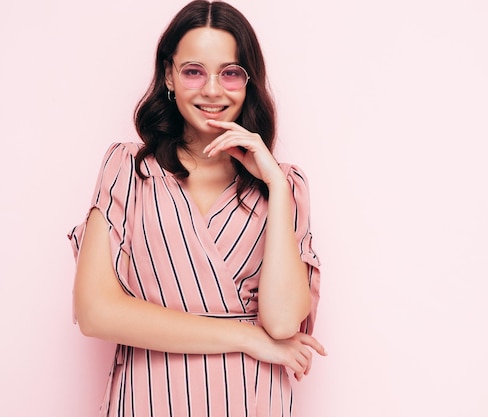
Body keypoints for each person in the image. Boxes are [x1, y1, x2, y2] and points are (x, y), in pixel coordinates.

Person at [67, 1, 324, 416]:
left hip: (253, 399)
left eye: (230, 72)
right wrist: (246, 337)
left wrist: (275, 183)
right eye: (193, 71)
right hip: (150, 397)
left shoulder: (285, 185)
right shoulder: (128, 169)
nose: (212, 89)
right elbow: (95, 312)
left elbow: (280, 324)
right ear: (169, 74)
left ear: (249, 80)